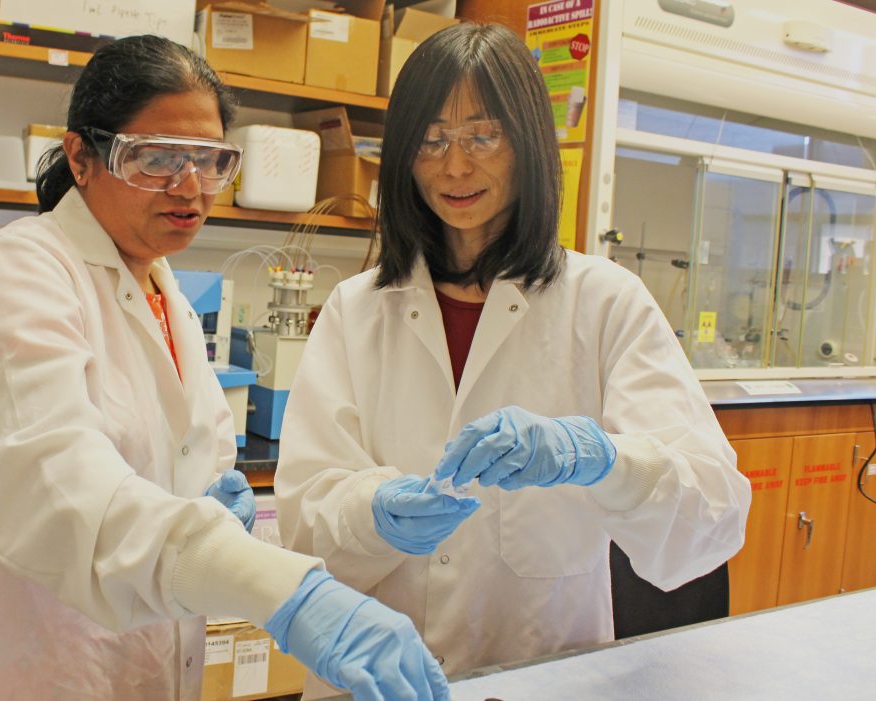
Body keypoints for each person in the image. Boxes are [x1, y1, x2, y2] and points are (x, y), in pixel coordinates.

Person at [0, 35, 448, 701]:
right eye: (155, 159)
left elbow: (164, 472)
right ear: (82, 156)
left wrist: (205, 507)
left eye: (211, 161)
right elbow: (63, 486)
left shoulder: (166, 292)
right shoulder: (16, 273)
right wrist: (283, 589)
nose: (189, 187)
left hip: (139, 668)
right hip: (15, 670)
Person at [274, 22, 752, 697]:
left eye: (483, 135)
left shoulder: (605, 302)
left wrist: (606, 460)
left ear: (527, 143)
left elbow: (714, 517)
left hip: (544, 674)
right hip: (377, 681)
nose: (455, 166)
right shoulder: (356, 310)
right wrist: (372, 512)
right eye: (432, 139)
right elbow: (303, 523)